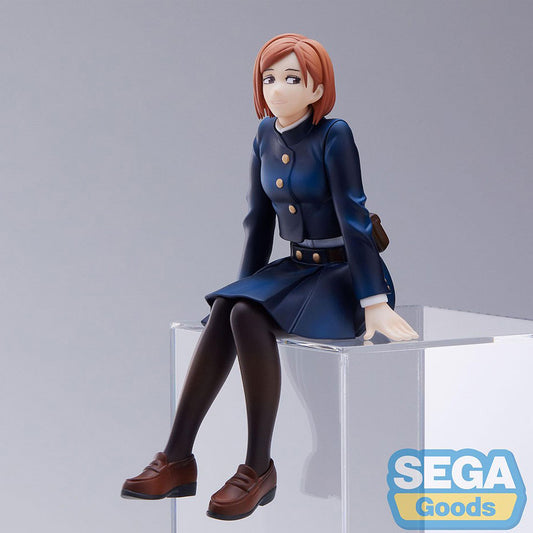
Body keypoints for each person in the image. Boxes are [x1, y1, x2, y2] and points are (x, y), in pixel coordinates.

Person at [121, 33, 418, 521]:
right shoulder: (264, 133)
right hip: (298, 267)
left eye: (293, 79)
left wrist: (374, 301)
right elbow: (258, 220)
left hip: (345, 275)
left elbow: (354, 217)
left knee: (246, 316)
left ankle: (257, 467)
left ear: (318, 88)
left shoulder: (334, 135)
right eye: (269, 78)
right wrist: (244, 289)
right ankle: (177, 459)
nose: (277, 88)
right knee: (231, 307)